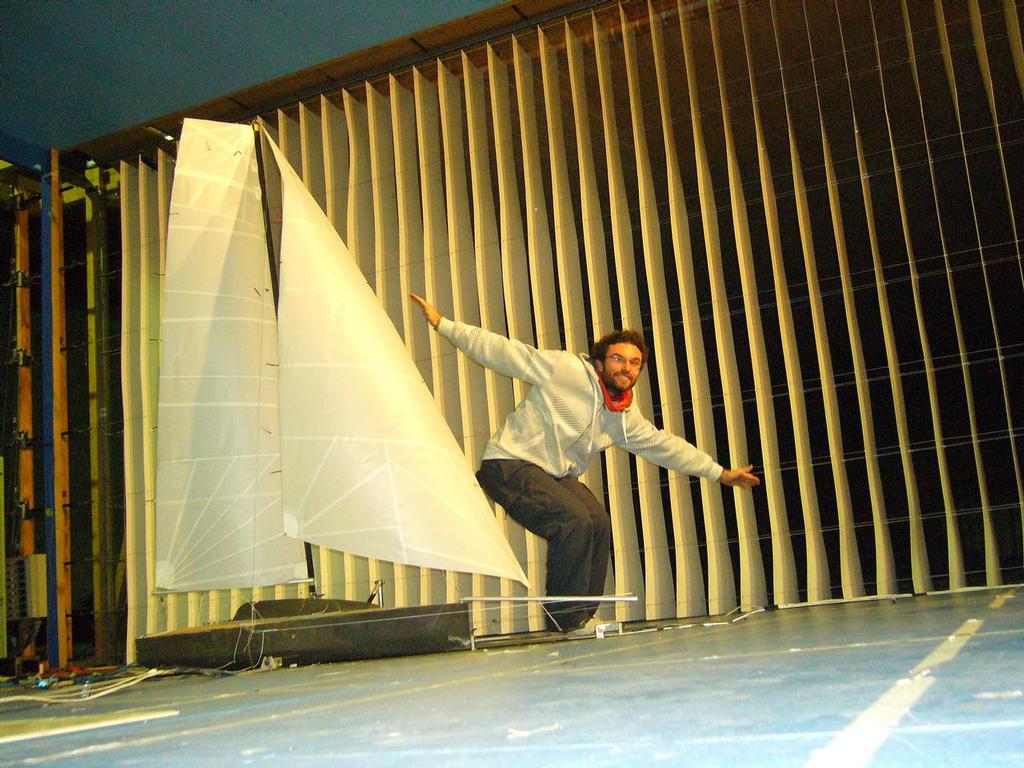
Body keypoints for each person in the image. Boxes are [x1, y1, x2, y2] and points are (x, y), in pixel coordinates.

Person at [409, 293, 759, 632]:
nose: (626, 368)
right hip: (509, 464)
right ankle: (563, 621)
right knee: (573, 521)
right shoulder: (566, 369)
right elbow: (504, 352)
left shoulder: (623, 416)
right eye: (619, 359)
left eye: (635, 363)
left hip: (553, 474)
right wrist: (445, 325)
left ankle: (580, 617)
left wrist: (718, 472)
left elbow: (663, 445)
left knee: (597, 522)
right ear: (601, 360)